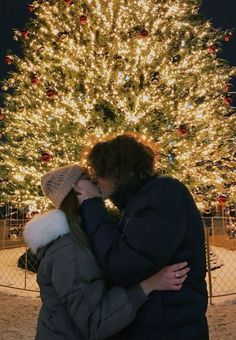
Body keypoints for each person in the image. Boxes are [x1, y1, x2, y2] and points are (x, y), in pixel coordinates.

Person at [23, 164, 189, 340]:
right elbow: (96, 322)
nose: (95, 180)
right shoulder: (69, 251)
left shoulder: (85, 234)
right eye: (87, 178)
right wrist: (149, 285)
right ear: (76, 189)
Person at [76, 134, 209, 339]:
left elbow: (121, 266)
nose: (96, 180)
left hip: (169, 327)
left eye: (100, 173)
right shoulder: (143, 200)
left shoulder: (163, 196)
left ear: (117, 172)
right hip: (159, 322)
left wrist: (92, 205)